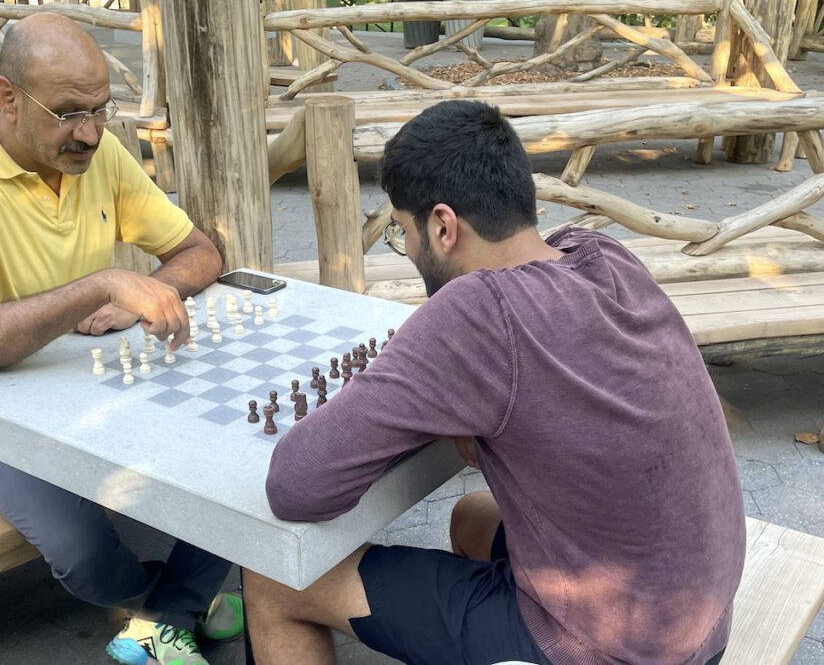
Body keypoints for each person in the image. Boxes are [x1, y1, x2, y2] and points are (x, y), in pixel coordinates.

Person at [243, 100, 745, 665]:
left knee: (272, 580)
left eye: (402, 232)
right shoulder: (604, 256)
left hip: (604, 649)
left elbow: (296, 485)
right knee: (471, 517)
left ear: (442, 225)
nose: (407, 250)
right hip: (698, 623)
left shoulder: (479, 311)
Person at [0, 12, 242, 665]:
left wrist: (138, 298)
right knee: (84, 556)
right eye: (68, 112)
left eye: (101, 108)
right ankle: (178, 603)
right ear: (7, 96)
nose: (91, 133)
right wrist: (101, 286)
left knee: (246, 458)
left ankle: (167, 615)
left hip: (101, 368)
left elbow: (201, 251)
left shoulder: (102, 154)